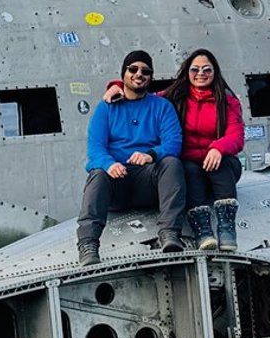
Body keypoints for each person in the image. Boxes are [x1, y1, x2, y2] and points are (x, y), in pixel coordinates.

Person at [77, 49, 185, 262]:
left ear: (151, 77)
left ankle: (170, 233)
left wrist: (151, 155)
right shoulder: (106, 108)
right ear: (123, 74)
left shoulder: (162, 107)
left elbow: (173, 143)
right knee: (97, 174)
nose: (139, 74)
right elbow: (95, 149)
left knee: (172, 163)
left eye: (145, 71)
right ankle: (88, 244)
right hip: (117, 183)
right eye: (133, 69)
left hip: (148, 181)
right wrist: (109, 165)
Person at [166, 47, 245, 250]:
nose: (200, 74)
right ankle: (203, 231)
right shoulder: (175, 96)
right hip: (191, 165)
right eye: (195, 69)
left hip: (220, 164)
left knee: (220, 165)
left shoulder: (227, 101)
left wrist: (218, 148)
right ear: (187, 72)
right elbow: (144, 100)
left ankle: (227, 228)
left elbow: (236, 136)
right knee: (189, 170)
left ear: (214, 72)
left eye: (207, 69)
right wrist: (117, 87)